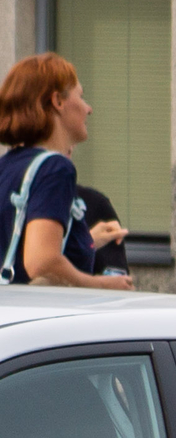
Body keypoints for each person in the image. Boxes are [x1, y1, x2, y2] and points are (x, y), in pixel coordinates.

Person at [0, 53, 132, 289]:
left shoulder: (8, 167)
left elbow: (18, 246)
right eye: (80, 96)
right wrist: (101, 285)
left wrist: (86, 241)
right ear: (58, 102)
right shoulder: (56, 168)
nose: (88, 109)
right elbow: (41, 261)